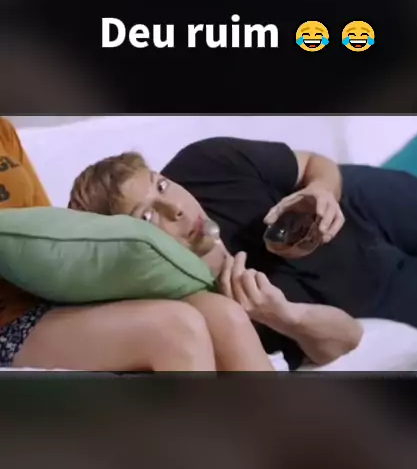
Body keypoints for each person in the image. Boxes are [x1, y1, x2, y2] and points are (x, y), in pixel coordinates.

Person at [69, 135, 417, 369]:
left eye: (161, 185)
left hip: (366, 202)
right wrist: (285, 317)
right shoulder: (206, 308)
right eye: (147, 216)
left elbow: (315, 163)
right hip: (382, 291)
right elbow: (340, 347)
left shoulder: (206, 162)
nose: (175, 208)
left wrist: (321, 190)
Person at [0, 118, 274, 371]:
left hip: (48, 300)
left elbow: (45, 225)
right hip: (8, 321)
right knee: (175, 328)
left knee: (224, 314)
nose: (175, 210)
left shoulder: (4, 131)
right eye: (146, 216)